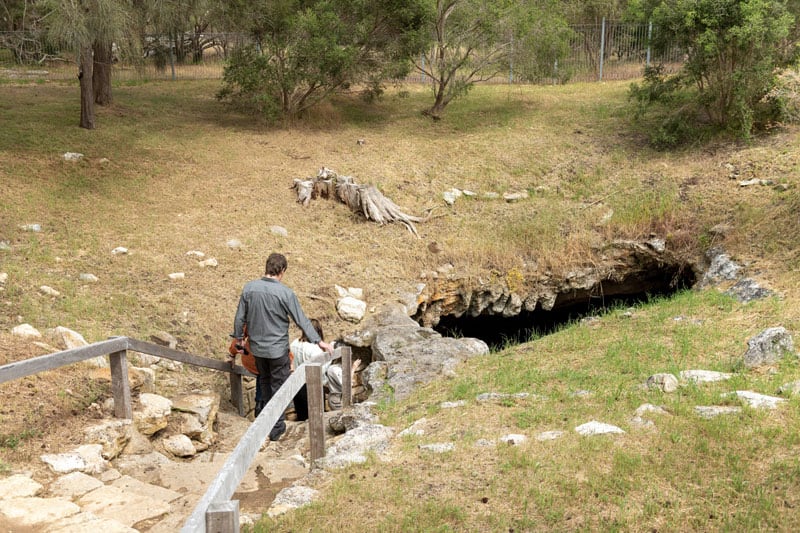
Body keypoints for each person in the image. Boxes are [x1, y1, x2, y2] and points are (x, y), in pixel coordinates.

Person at [231, 252, 334, 442]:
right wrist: (318, 341)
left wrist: (238, 339)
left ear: (267, 267)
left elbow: (240, 318)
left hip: (258, 350)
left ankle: (264, 421)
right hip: (278, 350)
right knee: (279, 387)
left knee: (264, 382)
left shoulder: (249, 289)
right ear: (282, 271)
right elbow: (301, 319)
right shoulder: (286, 293)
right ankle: (276, 428)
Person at [290, 318, 355, 419]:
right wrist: (329, 358)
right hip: (312, 386)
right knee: (316, 417)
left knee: (301, 415)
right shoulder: (314, 350)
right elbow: (322, 370)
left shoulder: (294, 344)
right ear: (318, 332)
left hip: (297, 384)